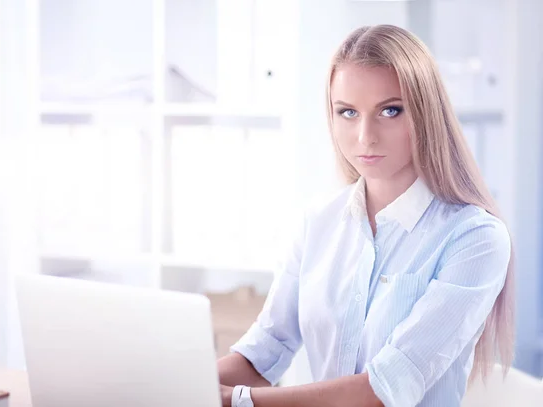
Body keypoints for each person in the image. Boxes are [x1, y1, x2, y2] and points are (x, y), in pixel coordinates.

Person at [216, 24, 514, 407]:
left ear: (426, 113)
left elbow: (386, 386)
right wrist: (182, 381)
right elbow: (267, 348)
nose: (365, 136)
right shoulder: (318, 222)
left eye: (390, 111)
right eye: (348, 112)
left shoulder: (475, 238)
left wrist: (237, 401)